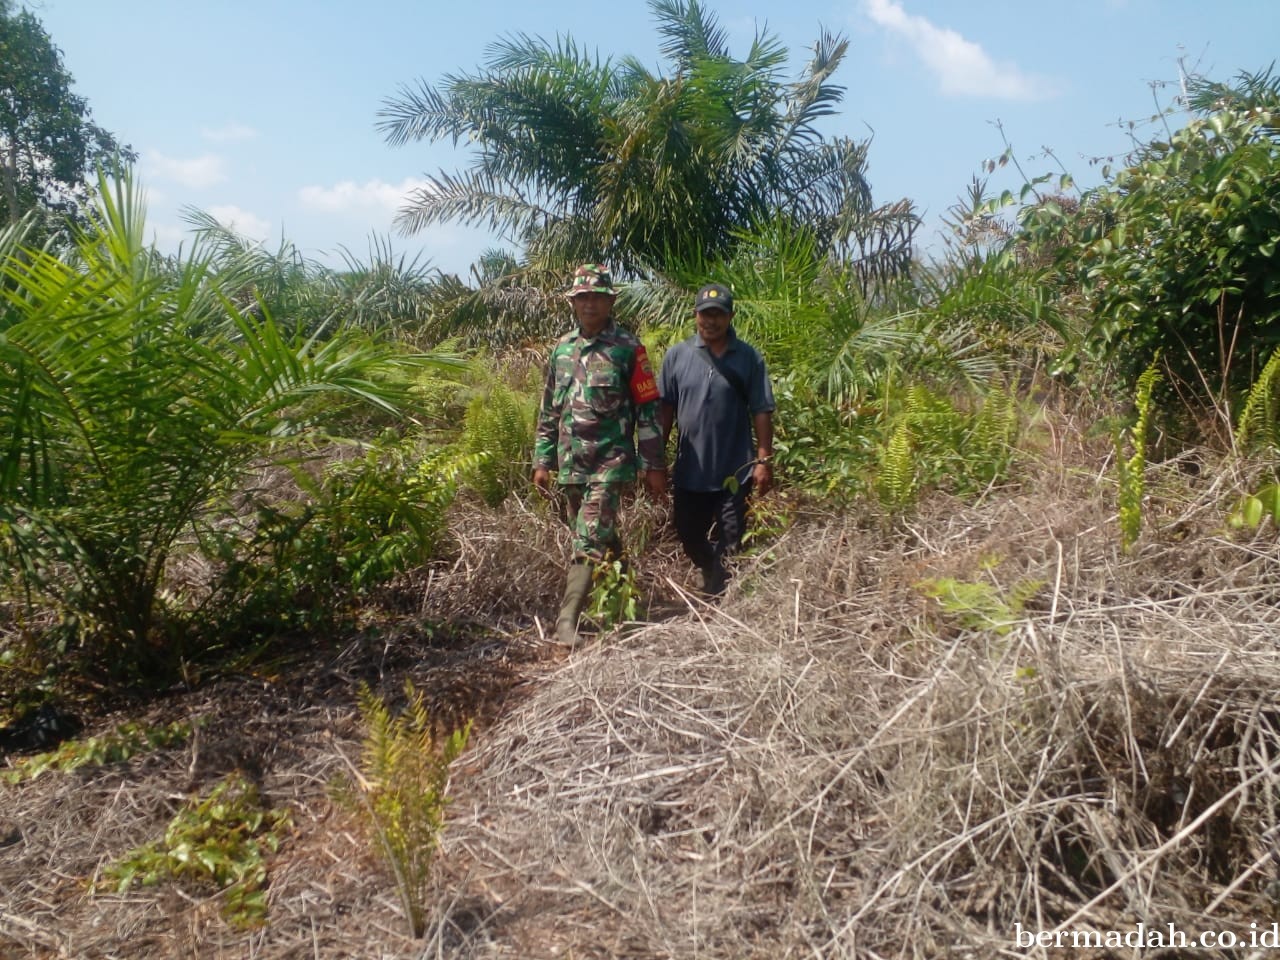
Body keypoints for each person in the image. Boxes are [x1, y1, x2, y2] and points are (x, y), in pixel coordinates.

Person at [533, 263, 667, 647]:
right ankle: (630, 604)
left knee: (588, 537)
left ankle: (566, 620)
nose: (589, 304)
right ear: (573, 303)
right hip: (572, 464)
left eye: (597, 297)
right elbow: (548, 411)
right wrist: (542, 461)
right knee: (601, 537)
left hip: (612, 462)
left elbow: (648, 410)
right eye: (582, 298)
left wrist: (652, 464)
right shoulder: (561, 349)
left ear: (610, 301)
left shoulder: (628, 348)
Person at [659, 283, 775, 595]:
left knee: (732, 538)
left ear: (730, 316)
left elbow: (762, 410)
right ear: (695, 315)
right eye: (705, 314)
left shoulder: (749, 358)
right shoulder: (677, 356)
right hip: (689, 471)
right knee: (687, 533)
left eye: (718, 315)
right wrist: (654, 459)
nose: (711, 321)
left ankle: (719, 602)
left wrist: (763, 461)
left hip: (735, 471)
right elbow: (665, 410)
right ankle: (707, 566)